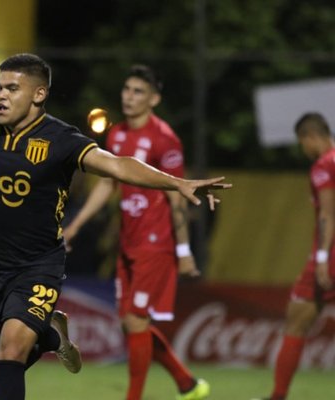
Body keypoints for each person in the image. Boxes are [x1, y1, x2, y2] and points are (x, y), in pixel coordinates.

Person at [0, 53, 230, 400]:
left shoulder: (62, 139)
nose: (1, 95)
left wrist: (177, 183)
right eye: (0, 87)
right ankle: (52, 337)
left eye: (12, 88)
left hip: (37, 266)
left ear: (39, 94)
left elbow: (118, 165)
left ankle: (42, 333)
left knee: (11, 353)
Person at [62, 65, 210, 400]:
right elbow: (107, 185)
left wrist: (184, 251)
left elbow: (177, 195)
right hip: (128, 242)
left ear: (154, 99)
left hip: (156, 244)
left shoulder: (165, 139)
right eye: (127, 89)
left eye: (138, 91)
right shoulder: (117, 135)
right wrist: (75, 226)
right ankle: (187, 383)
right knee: (131, 323)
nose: (129, 96)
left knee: (136, 321)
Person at [253, 113, 335, 400]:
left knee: (296, 322)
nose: (304, 149)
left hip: (331, 255)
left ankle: (278, 395)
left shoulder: (324, 165)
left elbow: (327, 214)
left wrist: (322, 257)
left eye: (302, 143)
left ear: (310, 137)